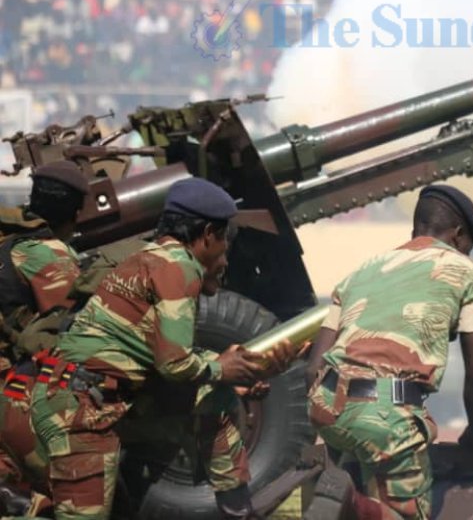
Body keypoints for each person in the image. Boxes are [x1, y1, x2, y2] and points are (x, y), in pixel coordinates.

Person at [28, 177, 295, 520]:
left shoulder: (147, 258)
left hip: (90, 399)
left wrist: (228, 374)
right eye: (225, 243)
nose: (225, 257)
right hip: (80, 412)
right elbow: (175, 364)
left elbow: (157, 356)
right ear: (209, 235)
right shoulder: (179, 268)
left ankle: (238, 510)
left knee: (217, 401)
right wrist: (221, 369)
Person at [304, 184, 473, 520]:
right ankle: (349, 501)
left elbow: (313, 367)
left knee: (369, 489)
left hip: (326, 403)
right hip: (386, 414)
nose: (467, 256)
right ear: (458, 235)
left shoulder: (361, 272)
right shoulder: (465, 271)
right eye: (467, 248)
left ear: (414, 230)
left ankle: (346, 497)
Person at [0, 163, 91, 516]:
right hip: (12, 391)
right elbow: (72, 333)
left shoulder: (9, 239)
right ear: (75, 212)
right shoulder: (48, 253)